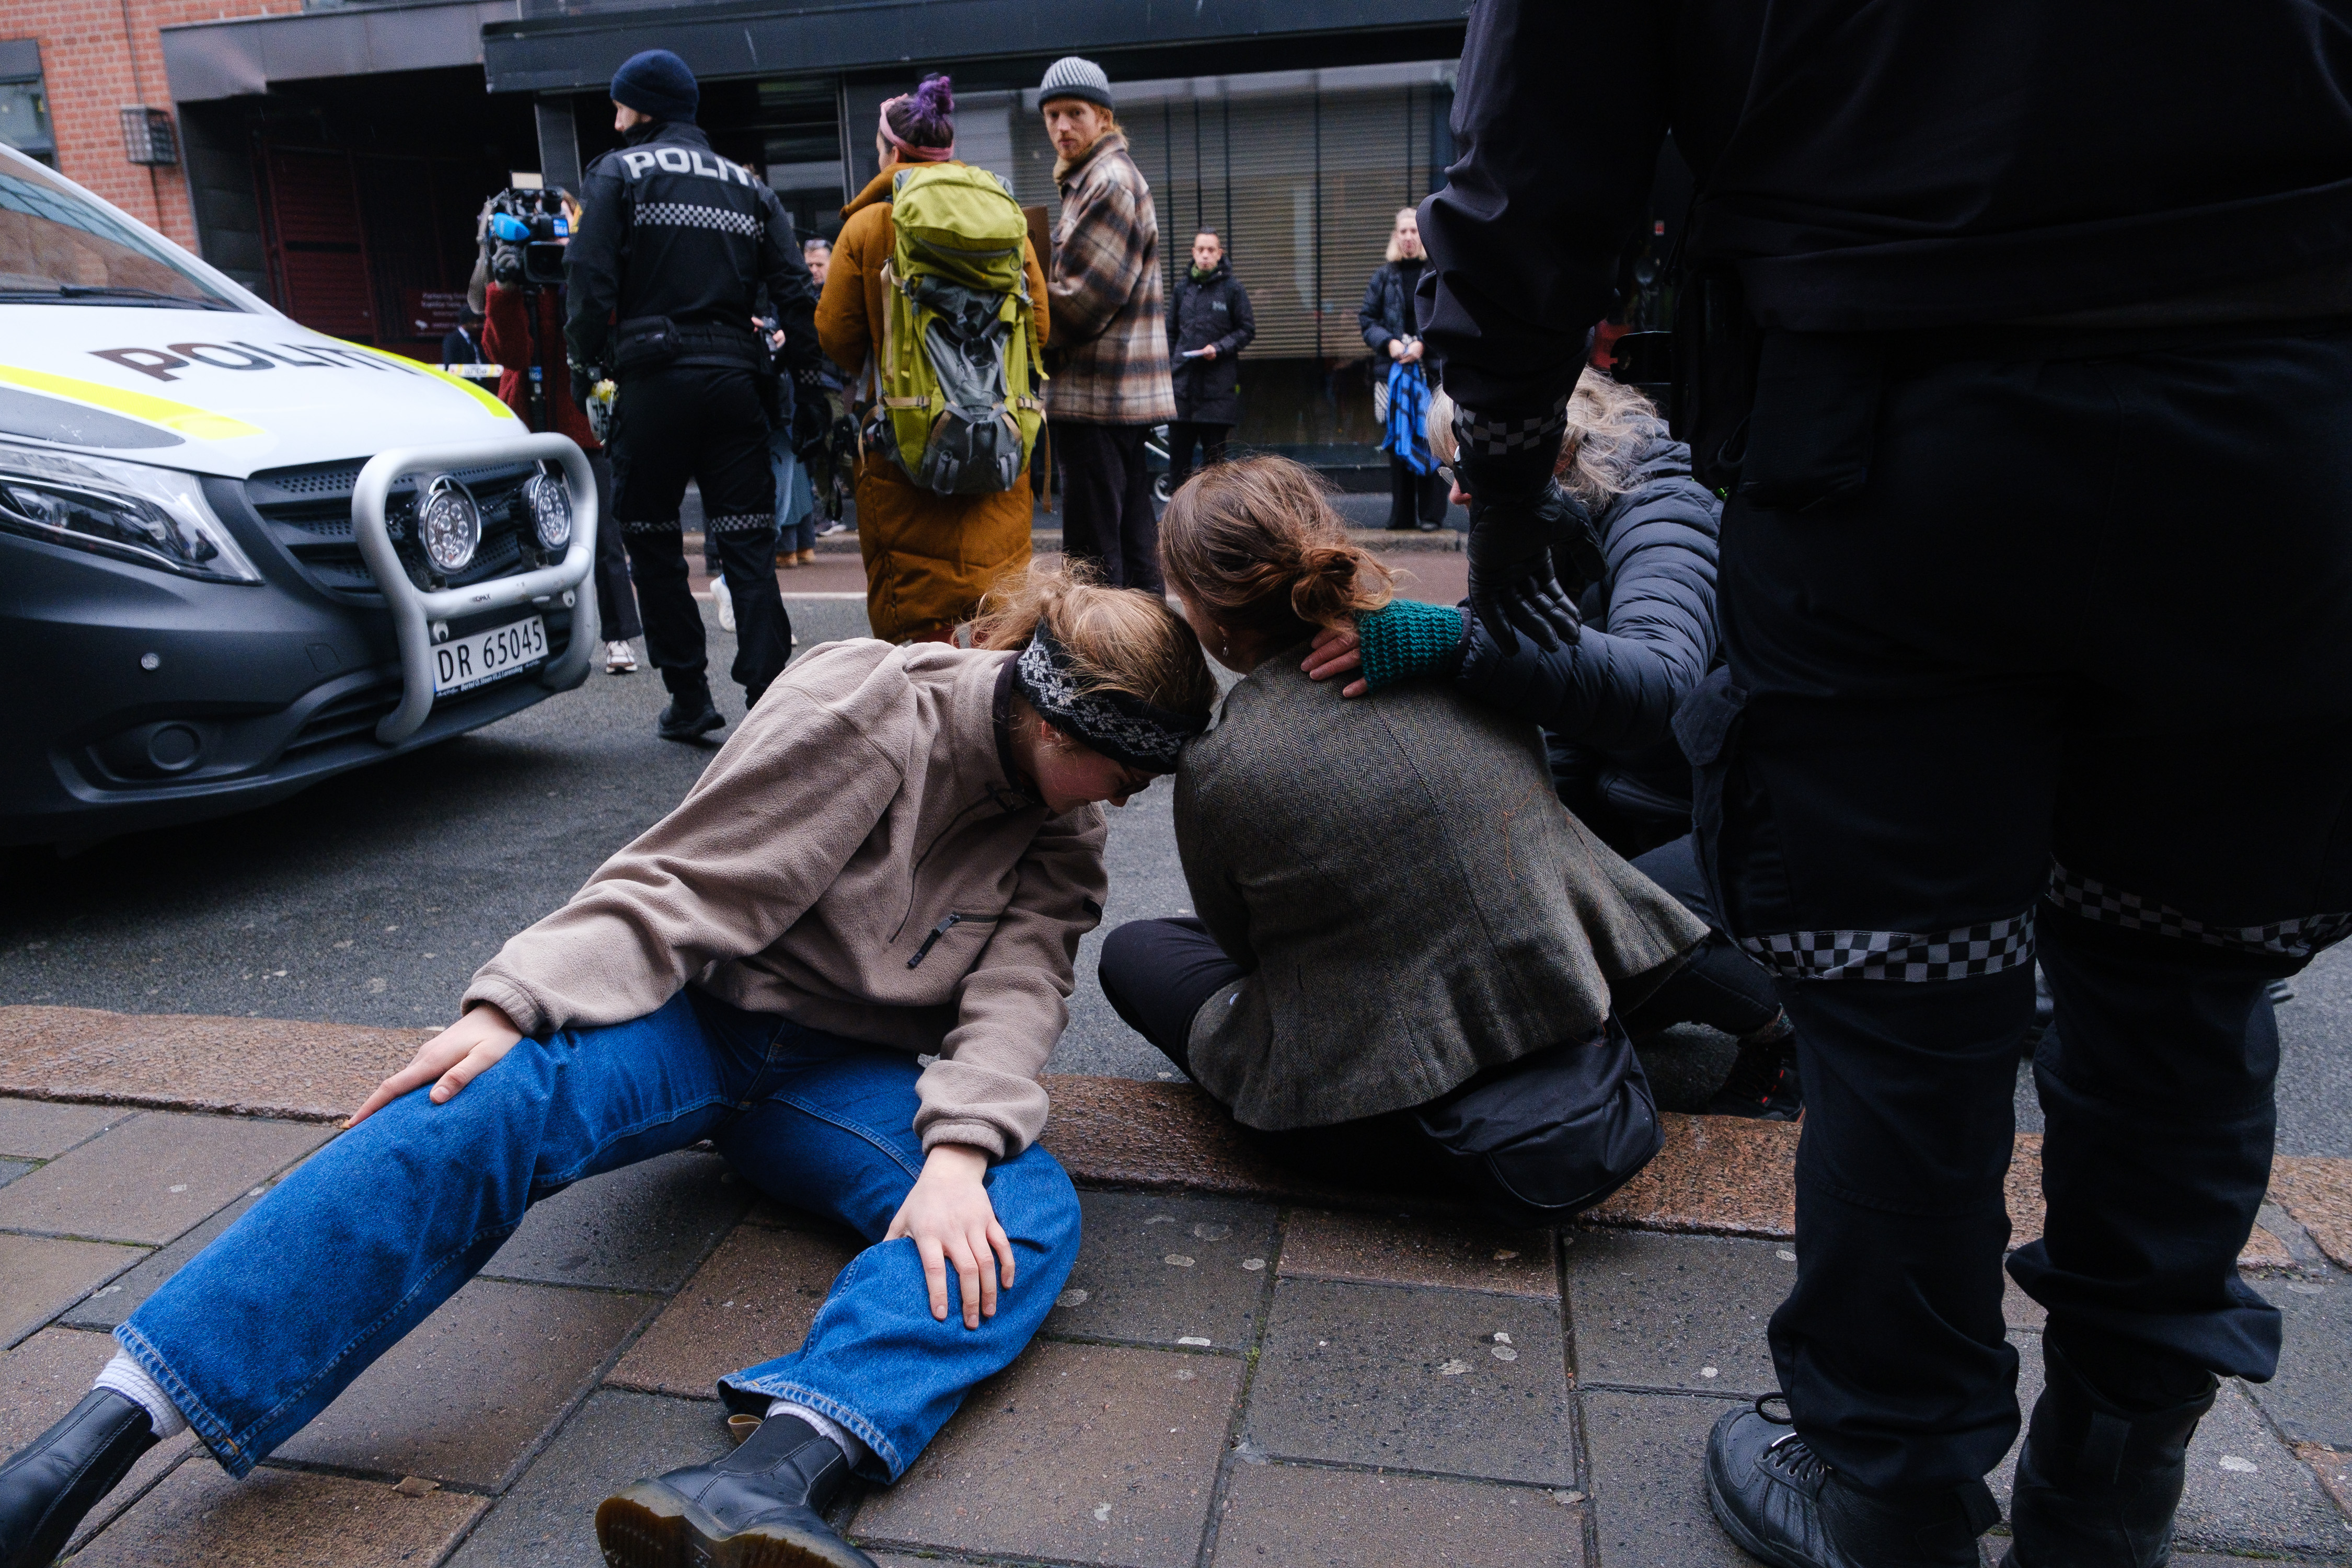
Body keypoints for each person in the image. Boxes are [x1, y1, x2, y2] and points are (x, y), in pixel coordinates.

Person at [1415, 3, 2352, 1565]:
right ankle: (2109, 1487)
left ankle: (1893, 1486)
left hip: (1897, 422)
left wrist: (1505, 473)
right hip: (2286, 423)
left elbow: (1533, 141)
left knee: (1905, 1013)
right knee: (2184, 989)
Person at [0, 563, 1217, 1568]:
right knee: (479, 1098)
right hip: (699, 1021)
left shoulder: (1064, 820)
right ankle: (98, 1435)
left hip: (839, 1076)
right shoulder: (867, 707)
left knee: (1021, 1203)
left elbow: (1019, 988)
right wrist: (513, 1003)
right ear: (1054, 721)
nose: (1134, 791)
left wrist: (955, 1152)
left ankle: (769, 1475)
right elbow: (678, 876)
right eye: (1128, 765)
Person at [1097, 455, 1707, 1223]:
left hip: (1382, 1124)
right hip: (1570, 1037)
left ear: (1213, 619)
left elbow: (1244, 951)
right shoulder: (1460, 658)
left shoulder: (1223, 762)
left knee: (1137, 952)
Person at [1300, 374, 1799, 1120]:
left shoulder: (1662, 510)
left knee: (1616, 917)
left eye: (1464, 471)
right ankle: (1643, 978)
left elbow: (1655, 685)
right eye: (1449, 474)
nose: (1459, 496)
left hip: (1761, 817)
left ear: (1548, 451)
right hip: (1657, 797)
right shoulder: (1551, 516)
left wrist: (1452, 641)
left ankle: (1792, 1033)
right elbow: (1545, 693)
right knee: (1530, 902)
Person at [563, 48, 820, 743]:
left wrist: (587, 367)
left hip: (653, 381)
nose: (614, 120)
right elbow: (796, 292)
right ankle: (768, 698)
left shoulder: (617, 174)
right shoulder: (747, 185)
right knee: (747, 546)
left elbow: (589, 286)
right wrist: (807, 382)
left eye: (620, 105)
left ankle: (689, 696)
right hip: (737, 380)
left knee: (650, 539)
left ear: (644, 107)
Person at [817, 75, 1050, 644]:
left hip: (906, 447)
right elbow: (1041, 326)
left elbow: (837, 337)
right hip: (999, 444)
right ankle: (998, 721)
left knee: (919, 637)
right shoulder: (1005, 221)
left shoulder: (869, 225)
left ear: (892, 152)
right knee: (1003, 619)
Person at [1035, 56, 1177, 590]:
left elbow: (1081, 301)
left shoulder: (1108, 181)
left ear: (1103, 117)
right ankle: (1148, 661)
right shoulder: (1097, 178)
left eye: (1075, 113)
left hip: (1099, 392)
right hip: (1110, 393)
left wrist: (1023, 309)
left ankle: (1110, 667)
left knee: (1095, 555)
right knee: (1131, 540)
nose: (1062, 127)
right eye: (1052, 115)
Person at [482, 235, 644, 676]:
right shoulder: (519, 280)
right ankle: (538, 637)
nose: (550, 253)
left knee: (604, 536)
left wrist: (585, 272)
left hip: (585, 427)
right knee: (529, 539)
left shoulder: (587, 277)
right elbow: (511, 354)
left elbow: (605, 331)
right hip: (528, 428)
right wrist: (507, 287)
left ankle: (618, 636)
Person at [1357, 207, 1446, 532]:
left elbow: (1447, 318)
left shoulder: (1436, 273)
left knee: (1431, 436)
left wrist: (1423, 344)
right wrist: (1390, 344)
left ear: (1422, 236)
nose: (1409, 237)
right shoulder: (1383, 276)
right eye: (1403, 232)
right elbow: (1367, 319)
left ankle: (1432, 516)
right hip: (1392, 373)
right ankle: (1402, 516)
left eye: (1414, 231)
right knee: (1397, 440)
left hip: (1430, 371)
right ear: (1395, 236)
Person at [1165, 229, 1255, 492]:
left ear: (1219, 254)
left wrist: (1219, 347)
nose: (1205, 255)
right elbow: (1170, 332)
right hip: (1182, 389)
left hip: (1217, 392)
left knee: (1215, 468)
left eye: (1211, 250)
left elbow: (1247, 330)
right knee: (1178, 465)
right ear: (1193, 253)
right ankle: (1176, 522)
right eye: (1200, 250)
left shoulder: (1233, 290)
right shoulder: (1182, 289)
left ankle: (1212, 525)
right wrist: (1171, 366)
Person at [440, 305, 486, 370]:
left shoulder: (476, 340)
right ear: (464, 323)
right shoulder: (452, 340)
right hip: (460, 378)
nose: (476, 326)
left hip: (480, 377)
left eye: (477, 322)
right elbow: (449, 365)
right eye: (473, 322)